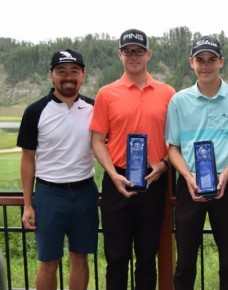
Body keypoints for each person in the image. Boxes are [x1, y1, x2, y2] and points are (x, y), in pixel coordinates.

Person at [165, 35, 228, 290]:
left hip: (227, 185)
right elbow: (172, 148)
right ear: (191, 63)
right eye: (200, 60)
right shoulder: (179, 101)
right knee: (184, 262)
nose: (206, 65)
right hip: (189, 185)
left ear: (221, 62)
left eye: (211, 59)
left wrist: (226, 172)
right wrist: (187, 176)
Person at [90, 28, 175, 289]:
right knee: (116, 256)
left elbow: (175, 141)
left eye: (138, 51)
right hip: (117, 179)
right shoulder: (106, 93)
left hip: (153, 179)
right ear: (120, 55)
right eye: (128, 51)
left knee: (147, 256)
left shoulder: (167, 93)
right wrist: (113, 174)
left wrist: (163, 165)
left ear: (148, 54)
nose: (133, 56)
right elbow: (97, 141)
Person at [18, 49, 98, 290]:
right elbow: (27, 159)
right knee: (48, 261)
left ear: (82, 75)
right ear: (51, 75)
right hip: (49, 194)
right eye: (61, 71)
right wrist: (28, 204)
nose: (68, 77)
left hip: (85, 192)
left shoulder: (94, 108)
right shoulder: (35, 111)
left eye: (74, 71)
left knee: (79, 258)